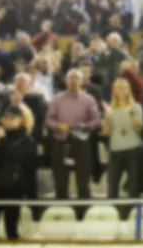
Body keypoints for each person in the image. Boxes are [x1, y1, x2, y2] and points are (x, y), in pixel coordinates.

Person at [46, 69, 100, 217]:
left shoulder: (89, 99)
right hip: (61, 143)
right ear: (65, 81)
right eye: (71, 78)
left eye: (77, 78)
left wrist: (86, 126)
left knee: (83, 182)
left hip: (81, 144)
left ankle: (84, 215)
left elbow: (96, 120)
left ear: (82, 81)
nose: (74, 80)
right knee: (60, 181)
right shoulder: (56, 99)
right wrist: (57, 125)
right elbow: (49, 119)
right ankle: (62, 214)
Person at [0, 105, 37, 240]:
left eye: (12, 118)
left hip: (14, 190)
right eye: (5, 118)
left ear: (21, 120)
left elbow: (16, 158)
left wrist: (1, 141)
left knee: (11, 231)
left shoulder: (27, 141)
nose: (7, 121)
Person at [101, 78, 143, 219]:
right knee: (112, 188)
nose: (120, 90)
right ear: (113, 90)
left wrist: (131, 112)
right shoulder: (110, 109)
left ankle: (132, 216)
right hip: (115, 151)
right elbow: (105, 132)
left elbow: (139, 128)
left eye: (123, 87)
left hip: (133, 150)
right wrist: (107, 117)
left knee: (133, 187)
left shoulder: (136, 107)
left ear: (128, 90)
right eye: (117, 88)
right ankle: (115, 215)